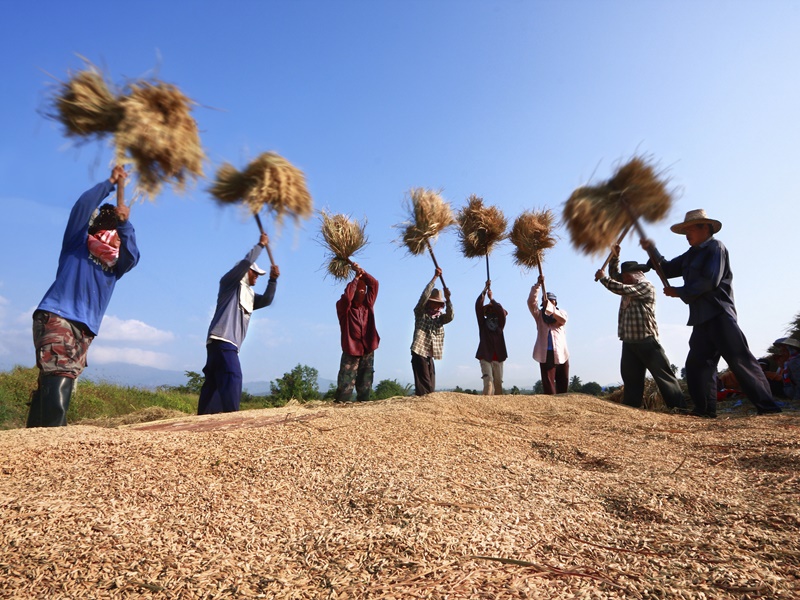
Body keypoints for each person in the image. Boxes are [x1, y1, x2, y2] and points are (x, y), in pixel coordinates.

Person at [27, 165, 140, 427]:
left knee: (53, 379)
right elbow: (82, 206)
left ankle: (32, 440)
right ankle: (54, 441)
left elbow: (133, 256)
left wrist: (126, 224)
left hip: (85, 328)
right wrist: (110, 183)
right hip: (58, 315)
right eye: (116, 235)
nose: (118, 242)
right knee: (60, 372)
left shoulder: (117, 264)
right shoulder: (77, 243)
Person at [641, 209, 781, 417]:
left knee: (740, 360)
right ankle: (705, 410)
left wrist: (679, 292)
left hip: (719, 314)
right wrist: (652, 250)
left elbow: (709, 281)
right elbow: (668, 269)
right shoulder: (692, 254)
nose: (687, 234)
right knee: (697, 365)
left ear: (705, 228)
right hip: (701, 318)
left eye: (690, 229)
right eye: (685, 230)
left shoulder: (715, 248)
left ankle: (768, 408)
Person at [197, 233, 280, 415]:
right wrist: (260, 245)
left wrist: (273, 280)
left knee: (214, 383)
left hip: (225, 344)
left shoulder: (249, 295)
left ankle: (204, 418)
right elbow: (244, 263)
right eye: (255, 273)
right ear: (246, 272)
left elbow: (266, 300)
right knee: (233, 376)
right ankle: (233, 416)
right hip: (223, 340)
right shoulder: (229, 284)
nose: (257, 278)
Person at [596, 248, 687, 410]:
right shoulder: (627, 283)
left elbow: (621, 287)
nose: (623, 279)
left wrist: (604, 279)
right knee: (631, 378)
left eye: (626, 276)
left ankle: (678, 407)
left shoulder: (645, 287)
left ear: (636, 274)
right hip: (629, 341)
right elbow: (615, 277)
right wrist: (614, 256)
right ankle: (632, 408)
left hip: (646, 340)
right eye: (623, 277)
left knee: (663, 375)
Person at [334, 263, 380, 403]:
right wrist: (355, 279)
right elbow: (347, 298)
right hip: (351, 349)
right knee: (346, 381)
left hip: (368, 347)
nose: (361, 294)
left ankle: (363, 403)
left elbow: (374, 284)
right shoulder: (344, 308)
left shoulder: (368, 304)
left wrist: (362, 273)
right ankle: (342, 403)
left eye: (363, 291)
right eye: (358, 292)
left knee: (365, 380)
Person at [410, 267, 454, 396]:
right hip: (419, 351)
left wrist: (448, 299)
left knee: (431, 384)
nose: (435, 306)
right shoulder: (421, 314)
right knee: (425, 384)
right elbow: (423, 297)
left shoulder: (440, 319)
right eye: (433, 303)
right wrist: (434, 278)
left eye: (438, 304)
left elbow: (451, 316)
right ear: (429, 303)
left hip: (430, 354)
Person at [528, 276, 569, 394]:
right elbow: (531, 302)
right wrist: (537, 285)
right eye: (547, 301)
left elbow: (563, 320)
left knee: (563, 381)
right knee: (548, 383)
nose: (550, 303)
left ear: (556, 302)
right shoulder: (539, 315)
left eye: (552, 301)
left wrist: (550, 307)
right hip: (546, 353)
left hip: (561, 353)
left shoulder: (561, 313)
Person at [475, 280, 507, 395]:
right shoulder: (483, 324)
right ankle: (486, 405)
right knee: (488, 382)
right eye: (488, 311)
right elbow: (478, 307)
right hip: (485, 356)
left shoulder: (500, 325)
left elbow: (501, 313)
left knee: (498, 383)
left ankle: (498, 409)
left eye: (492, 310)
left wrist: (492, 299)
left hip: (498, 357)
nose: (491, 313)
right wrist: (484, 291)